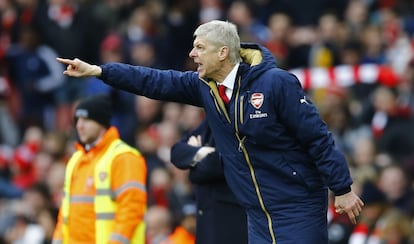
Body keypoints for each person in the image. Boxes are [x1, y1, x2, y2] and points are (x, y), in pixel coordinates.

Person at [56, 20, 364, 243]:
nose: (192, 54)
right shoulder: (205, 88)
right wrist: (100, 71)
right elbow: (153, 81)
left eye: (200, 47)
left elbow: (317, 137)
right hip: (256, 213)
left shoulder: (276, 83)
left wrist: (343, 187)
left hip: (296, 206)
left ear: (223, 53)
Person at [52, 94, 147, 244]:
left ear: (101, 122)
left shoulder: (123, 157)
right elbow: (65, 214)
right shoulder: (76, 160)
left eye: (86, 120)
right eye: (77, 120)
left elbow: (131, 210)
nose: (79, 126)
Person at [170, 119, 248, 244]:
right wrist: (202, 151)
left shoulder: (240, 118)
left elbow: (214, 166)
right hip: (206, 223)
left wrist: (193, 161)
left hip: (231, 223)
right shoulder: (213, 117)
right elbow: (176, 152)